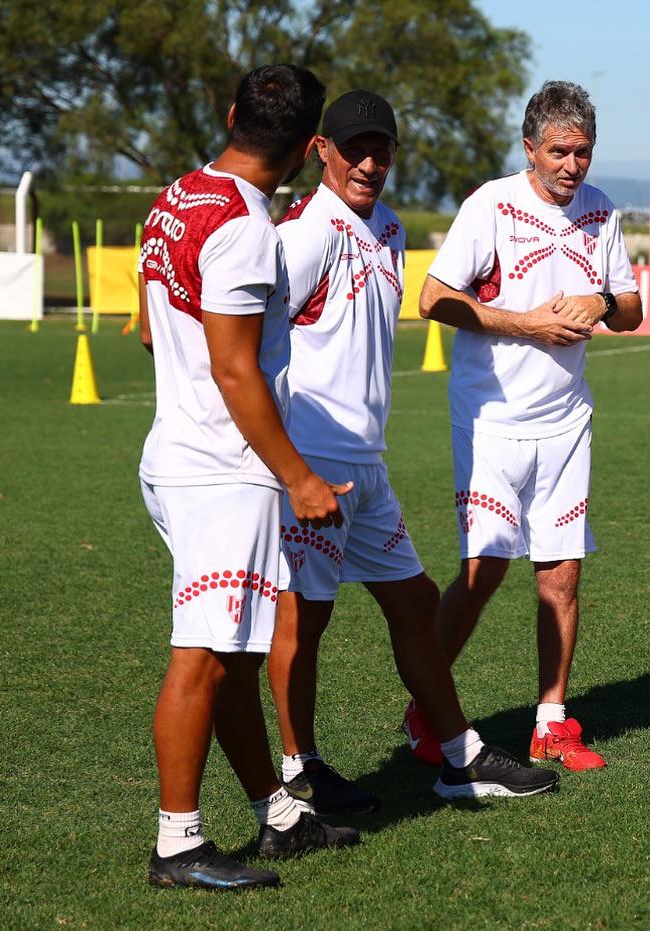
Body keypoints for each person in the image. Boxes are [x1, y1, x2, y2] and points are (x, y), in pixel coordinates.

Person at [267, 89, 558, 813]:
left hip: (365, 462)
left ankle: (455, 755)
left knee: (416, 599)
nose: (369, 162)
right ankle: (298, 767)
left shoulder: (389, 227)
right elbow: (254, 331)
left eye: (381, 149)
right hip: (312, 460)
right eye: (354, 148)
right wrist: (284, 460)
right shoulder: (305, 232)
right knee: (304, 616)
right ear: (320, 151)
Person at [138, 64, 361, 892]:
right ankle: (177, 844)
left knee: (229, 652)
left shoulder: (176, 195)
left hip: (175, 452)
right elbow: (236, 371)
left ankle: (277, 812)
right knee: (200, 656)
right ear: (310, 148)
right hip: (219, 475)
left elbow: (151, 334)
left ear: (229, 114)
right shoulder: (244, 226)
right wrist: (298, 476)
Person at [417, 80, 642, 772]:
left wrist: (599, 298)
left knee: (561, 576)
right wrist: (526, 323)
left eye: (582, 152)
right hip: (490, 418)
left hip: (566, 419)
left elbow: (629, 309)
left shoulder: (600, 212)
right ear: (528, 148)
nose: (572, 165)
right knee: (482, 572)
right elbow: (433, 297)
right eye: (558, 151)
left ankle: (551, 720)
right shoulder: (490, 204)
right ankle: (423, 711)